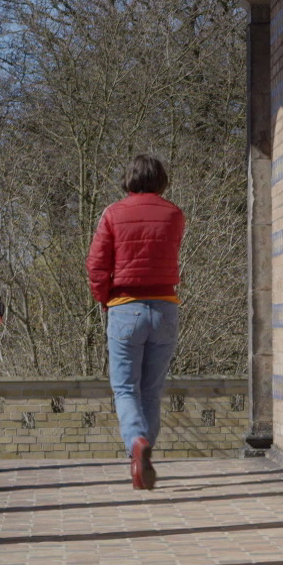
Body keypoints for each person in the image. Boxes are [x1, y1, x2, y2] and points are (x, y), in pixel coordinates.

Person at [86, 154, 186, 491]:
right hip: (165, 307)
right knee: (151, 390)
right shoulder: (174, 214)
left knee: (125, 388)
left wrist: (104, 299)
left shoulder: (113, 213)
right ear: (161, 179)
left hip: (125, 306)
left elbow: (96, 264)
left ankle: (136, 443)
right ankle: (142, 461)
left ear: (128, 179)